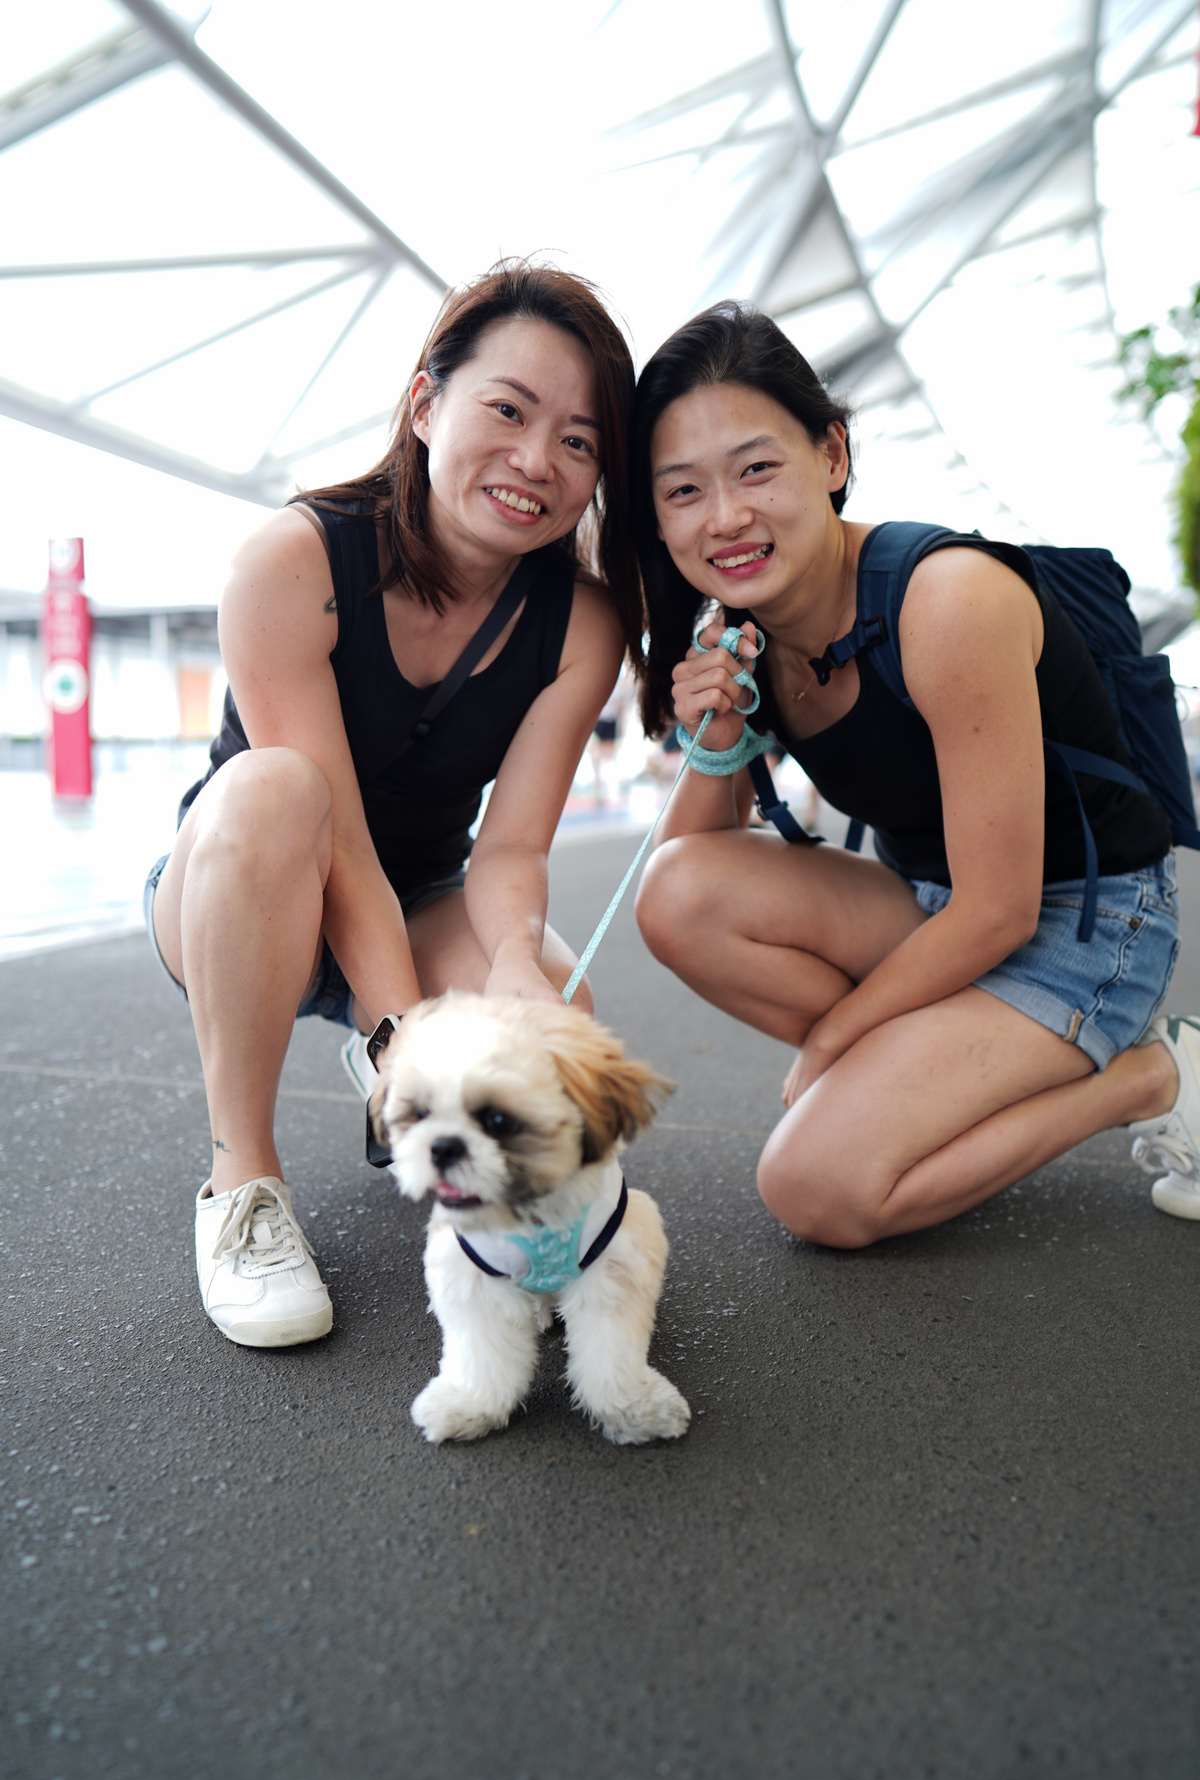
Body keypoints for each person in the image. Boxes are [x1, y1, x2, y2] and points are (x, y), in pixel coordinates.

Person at [631, 301, 1199, 1249]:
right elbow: (688, 874)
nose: (725, 518)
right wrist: (721, 729)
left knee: (814, 1189)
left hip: (1080, 925)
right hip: (934, 909)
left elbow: (1001, 911)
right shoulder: (744, 627)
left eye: (756, 469)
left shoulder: (947, 600)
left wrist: (837, 1037)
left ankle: (1152, 1077)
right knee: (674, 893)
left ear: (832, 456)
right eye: (684, 490)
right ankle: (927, 1087)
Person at [144, 261, 640, 1346]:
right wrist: (402, 1028)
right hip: (245, 885)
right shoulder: (291, 560)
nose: (537, 460)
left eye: (579, 441)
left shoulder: (582, 622)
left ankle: (425, 1095)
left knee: (555, 999)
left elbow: (510, 849)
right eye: (508, 411)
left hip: (420, 894)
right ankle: (242, 1185)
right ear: (425, 403)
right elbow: (336, 844)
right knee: (275, 786)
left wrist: (515, 964)